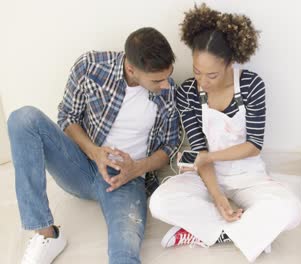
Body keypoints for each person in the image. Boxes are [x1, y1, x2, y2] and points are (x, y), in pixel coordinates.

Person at [7, 27, 180, 264]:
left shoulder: (167, 93)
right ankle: (46, 235)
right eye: (157, 80)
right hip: (80, 165)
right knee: (23, 118)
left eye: (167, 76)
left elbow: (169, 147)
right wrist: (94, 152)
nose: (166, 85)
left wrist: (137, 169)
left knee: (124, 252)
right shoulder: (91, 67)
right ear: (131, 69)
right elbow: (67, 117)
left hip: (127, 180)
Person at [149, 4, 301, 263]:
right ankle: (249, 234)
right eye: (197, 72)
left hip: (248, 175)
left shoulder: (252, 85)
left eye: (211, 75)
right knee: (159, 203)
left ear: (231, 63)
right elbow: (200, 150)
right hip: (207, 177)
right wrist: (219, 197)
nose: (202, 82)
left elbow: (254, 145)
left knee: (292, 211)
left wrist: (209, 158)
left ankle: (205, 232)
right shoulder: (187, 92)